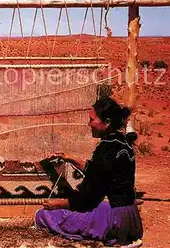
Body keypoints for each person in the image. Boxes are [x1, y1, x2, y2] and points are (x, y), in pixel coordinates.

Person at [35, 97, 143, 246]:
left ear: (107, 123)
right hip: (131, 216)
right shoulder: (122, 142)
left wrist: (58, 204)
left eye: (92, 120)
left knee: (44, 215)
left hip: (116, 220)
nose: (89, 124)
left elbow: (88, 199)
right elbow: (101, 171)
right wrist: (70, 158)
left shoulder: (106, 149)